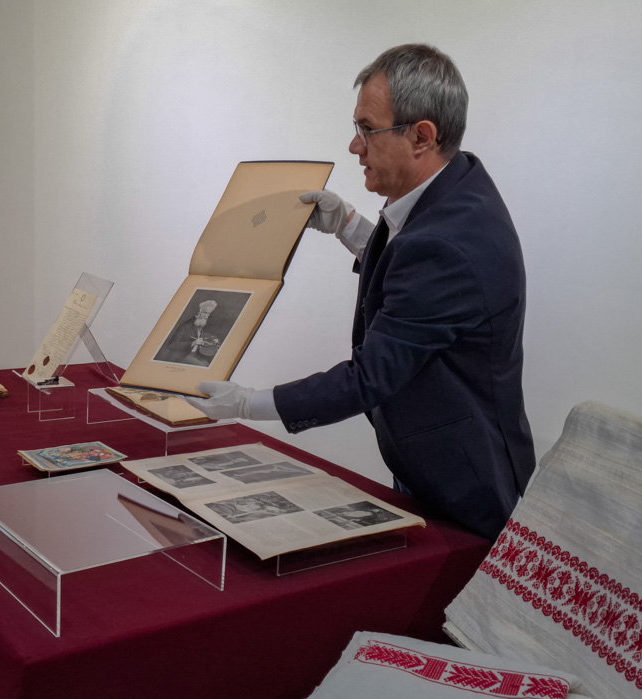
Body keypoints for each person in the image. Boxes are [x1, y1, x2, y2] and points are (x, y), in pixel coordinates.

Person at [187, 43, 535, 540]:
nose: (355, 147)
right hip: (437, 455)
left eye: (367, 129)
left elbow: (370, 376)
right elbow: (413, 270)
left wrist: (249, 404)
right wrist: (349, 226)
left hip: (466, 488)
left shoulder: (446, 245)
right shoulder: (459, 185)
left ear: (421, 136)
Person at [156, 299, 221, 366]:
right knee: (203, 365)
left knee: (207, 364)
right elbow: (171, 345)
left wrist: (212, 339)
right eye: (204, 313)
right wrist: (192, 343)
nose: (206, 316)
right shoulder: (186, 326)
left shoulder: (199, 324)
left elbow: (198, 336)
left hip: (194, 354)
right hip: (180, 356)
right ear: (198, 312)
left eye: (208, 314)